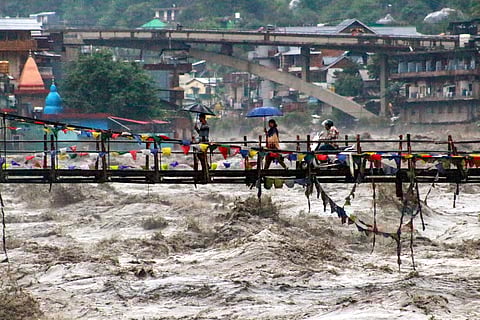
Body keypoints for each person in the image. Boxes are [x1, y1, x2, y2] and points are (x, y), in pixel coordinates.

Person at [193, 113, 210, 181]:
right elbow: (200, 133)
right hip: (202, 143)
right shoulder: (203, 125)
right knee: (201, 156)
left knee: (201, 156)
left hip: (204, 143)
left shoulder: (205, 126)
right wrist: (197, 129)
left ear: (202, 118)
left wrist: (200, 143)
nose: (199, 119)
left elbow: (204, 136)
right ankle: (205, 168)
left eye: (200, 118)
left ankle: (205, 168)